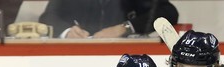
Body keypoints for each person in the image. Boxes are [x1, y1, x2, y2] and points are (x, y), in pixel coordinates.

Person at [38, 0, 179, 38]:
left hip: (125, 58)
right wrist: (67, 31)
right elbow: (47, 17)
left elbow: (168, 12)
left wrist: (125, 28)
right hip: (77, 57)